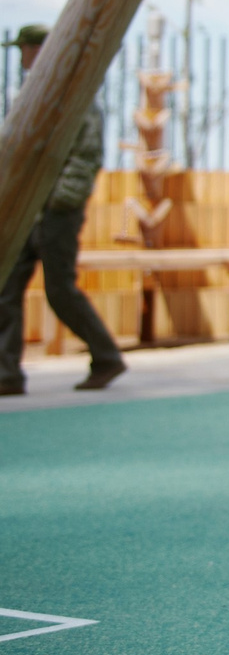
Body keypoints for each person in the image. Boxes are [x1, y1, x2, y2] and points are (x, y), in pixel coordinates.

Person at [1, 25, 123, 396]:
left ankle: (105, 356)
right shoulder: (27, 94)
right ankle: (6, 374)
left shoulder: (75, 94)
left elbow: (86, 155)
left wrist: (57, 201)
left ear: (42, 51)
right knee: (6, 287)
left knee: (59, 288)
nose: (22, 56)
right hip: (25, 206)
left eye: (26, 48)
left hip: (56, 209)